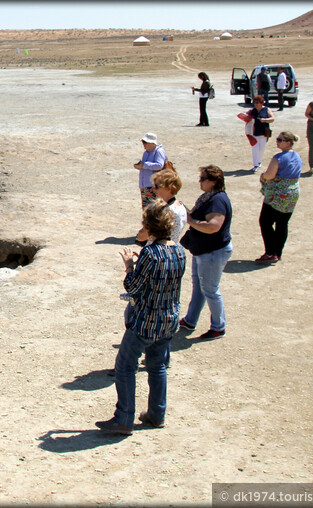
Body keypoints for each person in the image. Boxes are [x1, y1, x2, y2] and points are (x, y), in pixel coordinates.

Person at [97, 200, 186, 435]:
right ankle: (157, 414)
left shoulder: (151, 253)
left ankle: (123, 419)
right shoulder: (178, 250)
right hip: (169, 319)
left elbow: (133, 287)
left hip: (146, 320)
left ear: (150, 226)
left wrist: (129, 266)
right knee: (157, 366)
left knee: (125, 366)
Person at [178, 165, 232, 340]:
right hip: (203, 251)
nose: (199, 181)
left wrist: (191, 220)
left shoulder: (217, 201)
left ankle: (219, 327)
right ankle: (190, 320)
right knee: (200, 288)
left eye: (203, 179)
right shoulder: (209, 197)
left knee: (210, 290)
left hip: (212, 252)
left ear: (214, 181)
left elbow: (213, 227)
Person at [256, 131, 302, 264]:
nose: (277, 141)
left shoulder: (278, 158)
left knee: (265, 222)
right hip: (293, 193)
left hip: (277, 194)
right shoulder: (297, 156)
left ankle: (270, 252)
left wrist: (263, 176)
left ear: (288, 142)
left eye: (280, 140)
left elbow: (270, 175)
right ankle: (278, 252)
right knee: (282, 224)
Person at [135, 169, 187, 245]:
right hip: (172, 250)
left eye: (157, 186)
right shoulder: (181, 207)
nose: (153, 188)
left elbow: (142, 236)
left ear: (169, 189)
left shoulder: (165, 211)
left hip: (156, 252)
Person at [133, 133, 167, 209]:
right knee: (146, 209)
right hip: (145, 185)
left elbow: (159, 165)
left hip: (154, 185)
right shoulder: (145, 153)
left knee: (155, 209)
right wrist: (139, 166)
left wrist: (144, 165)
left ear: (152, 143)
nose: (144, 145)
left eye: (145, 143)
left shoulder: (159, 151)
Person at [247, 95, 275, 172]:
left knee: (262, 149)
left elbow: (272, 119)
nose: (255, 104)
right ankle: (255, 164)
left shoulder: (266, 109)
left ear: (261, 103)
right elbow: (247, 117)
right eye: (254, 102)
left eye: (257, 102)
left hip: (264, 133)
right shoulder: (252, 110)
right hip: (254, 133)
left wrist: (265, 120)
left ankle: (259, 162)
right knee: (255, 149)